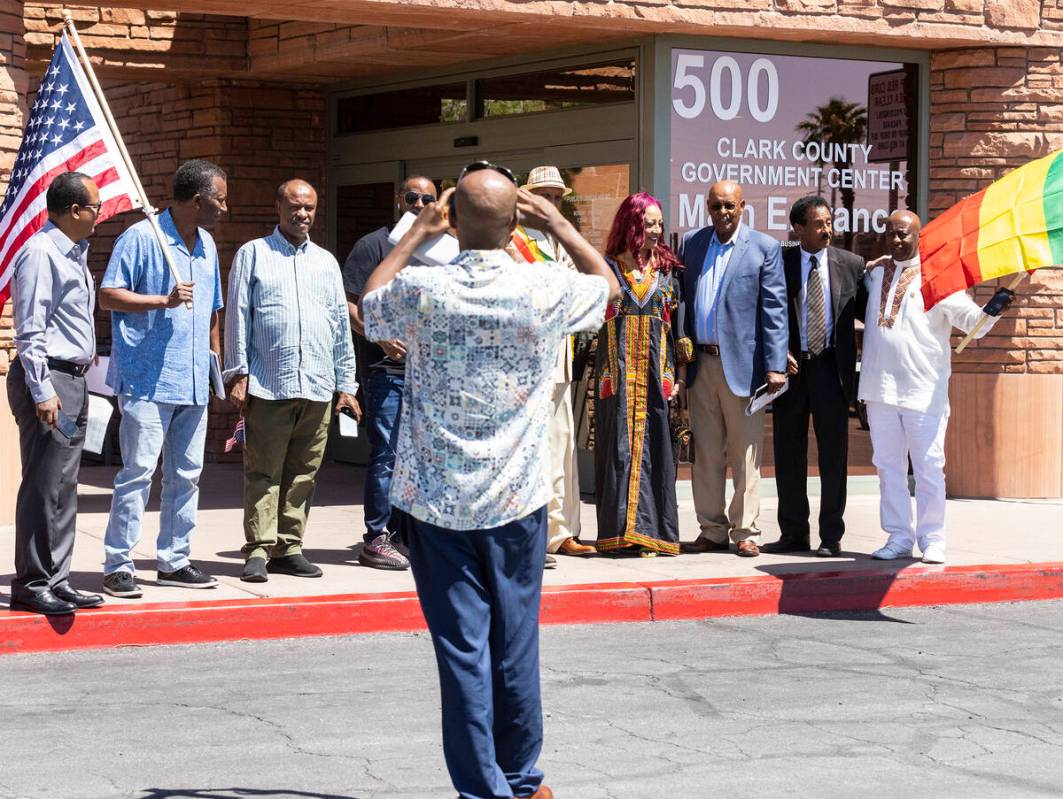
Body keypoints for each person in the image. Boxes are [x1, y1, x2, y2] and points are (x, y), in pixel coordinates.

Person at [360, 161, 619, 799]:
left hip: (438, 506)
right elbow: (608, 287)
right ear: (515, 226)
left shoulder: (425, 291)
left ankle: (483, 789)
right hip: (516, 499)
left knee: (463, 654)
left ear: (453, 220)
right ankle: (522, 778)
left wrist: (417, 233)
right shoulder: (543, 287)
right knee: (515, 645)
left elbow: (369, 304)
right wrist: (557, 220)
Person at [98, 159, 228, 598]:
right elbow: (108, 295)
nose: (224, 208)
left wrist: (216, 363)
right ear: (197, 199)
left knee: (187, 475)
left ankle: (174, 560)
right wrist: (162, 300)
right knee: (137, 473)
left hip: (193, 381)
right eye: (220, 199)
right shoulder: (141, 237)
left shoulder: (207, 244)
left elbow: (212, 309)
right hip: (147, 381)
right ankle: (118, 563)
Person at [224, 179, 361, 583]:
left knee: (304, 472)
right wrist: (238, 372)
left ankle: (289, 546)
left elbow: (339, 324)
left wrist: (347, 384)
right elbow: (237, 317)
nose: (303, 214)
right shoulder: (254, 254)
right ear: (278, 208)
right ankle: (258, 549)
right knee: (264, 471)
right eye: (295, 207)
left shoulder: (326, 262)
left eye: (310, 208)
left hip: (318, 385)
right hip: (269, 383)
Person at [861, 210, 1012, 565]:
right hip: (878, 388)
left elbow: (972, 323)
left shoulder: (937, 279)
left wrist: (994, 309)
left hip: (922, 391)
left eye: (904, 235)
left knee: (928, 467)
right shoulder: (875, 273)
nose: (897, 240)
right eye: (892, 234)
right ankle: (898, 536)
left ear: (918, 238)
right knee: (888, 466)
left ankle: (932, 539)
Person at [6, 172, 104, 615]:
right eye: (96, 207)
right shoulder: (42, 252)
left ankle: (57, 578)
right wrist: (42, 390)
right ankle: (31, 581)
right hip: (50, 383)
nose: (100, 214)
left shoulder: (75, 253)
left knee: (66, 485)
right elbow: (29, 330)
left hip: (73, 379)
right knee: (44, 485)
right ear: (73, 210)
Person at [678, 180, 788, 558]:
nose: (722, 213)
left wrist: (775, 365)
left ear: (742, 207)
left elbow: (775, 311)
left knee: (745, 452)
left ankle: (745, 530)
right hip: (701, 365)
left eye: (729, 206)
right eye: (715, 207)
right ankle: (711, 529)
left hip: (744, 367)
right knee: (706, 453)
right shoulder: (692, 243)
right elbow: (682, 300)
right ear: (706, 208)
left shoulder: (763, 248)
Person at [763, 195, 867, 558]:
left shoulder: (852, 264)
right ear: (799, 228)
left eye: (828, 223)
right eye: (819, 224)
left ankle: (830, 536)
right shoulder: (780, 261)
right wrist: (777, 355)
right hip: (792, 371)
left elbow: (874, 314)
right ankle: (793, 534)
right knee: (788, 453)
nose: (827, 230)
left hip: (831, 371)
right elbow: (767, 312)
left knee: (833, 457)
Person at [342, 175, 437, 571]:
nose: (418, 204)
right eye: (412, 197)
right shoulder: (374, 244)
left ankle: (406, 534)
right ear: (400, 200)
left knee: (421, 458)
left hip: (430, 375)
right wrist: (379, 336)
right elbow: (346, 304)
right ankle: (376, 538)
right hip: (388, 371)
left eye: (427, 199)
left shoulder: (442, 249)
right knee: (388, 455)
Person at [593, 192, 687, 556]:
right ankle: (618, 535)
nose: (656, 230)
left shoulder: (666, 270)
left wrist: (679, 375)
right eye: (649, 223)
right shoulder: (608, 267)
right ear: (632, 224)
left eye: (659, 223)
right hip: (615, 377)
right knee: (617, 450)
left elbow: (678, 326)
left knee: (656, 451)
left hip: (655, 377)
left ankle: (652, 533)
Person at [515, 165, 596, 563]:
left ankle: (563, 530)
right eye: (543, 195)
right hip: (527, 363)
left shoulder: (562, 239)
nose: (550, 202)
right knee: (536, 451)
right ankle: (536, 533)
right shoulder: (513, 240)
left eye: (556, 196)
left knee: (563, 447)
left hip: (561, 357)